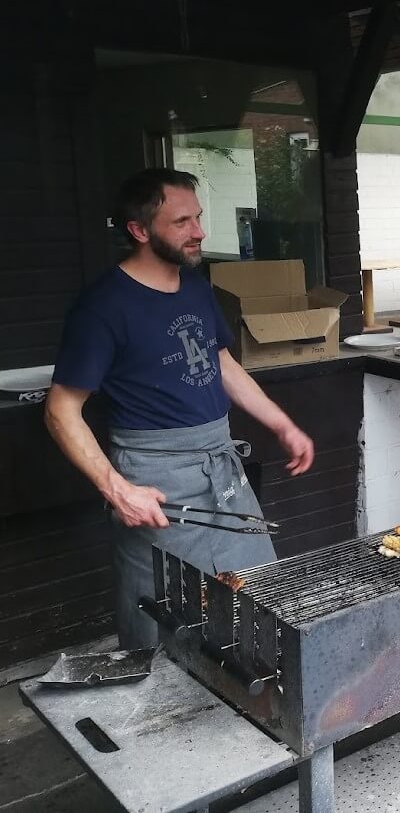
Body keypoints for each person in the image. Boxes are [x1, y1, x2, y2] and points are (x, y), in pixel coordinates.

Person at [44, 168, 315, 649]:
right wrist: (118, 489)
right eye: (182, 221)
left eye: (199, 217)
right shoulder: (103, 306)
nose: (200, 231)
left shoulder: (195, 287)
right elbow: (61, 410)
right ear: (139, 230)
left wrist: (282, 424)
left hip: (221, 467)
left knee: (259, 594)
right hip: (154, 478)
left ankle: (250, 702)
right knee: (165, 615)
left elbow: (221, 362)